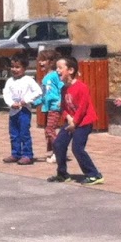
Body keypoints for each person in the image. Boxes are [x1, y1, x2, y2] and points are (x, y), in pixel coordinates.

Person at [47, 55, 103, 186]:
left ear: (71, 70)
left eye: (60, 68)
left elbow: (83, 107)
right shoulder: (63, 88)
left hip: (84, 122)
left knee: (77, 148)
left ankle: (94, 175)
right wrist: (68, 118)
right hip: (71, 121)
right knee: (58, 144)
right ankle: (62, 174)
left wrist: (75, 122)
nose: (57, 70)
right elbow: (63, 107)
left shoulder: (82, 87)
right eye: (56, 68)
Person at [0, 54, 43, 165]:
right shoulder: (10, 81)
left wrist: (26, 100)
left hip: (24, 111)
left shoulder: (28, 80)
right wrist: (11, 103)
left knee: (24, 133)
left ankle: (27, 155)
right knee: (13, 133)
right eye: (12, 67)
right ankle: (15, 154)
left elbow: (38, 91)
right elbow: (6, 94)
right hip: (13, 112)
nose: (14, 69)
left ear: (24, 68)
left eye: (17, 67)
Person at [38, 47, 65, 153]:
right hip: (47, 108)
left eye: (43, 60)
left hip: (55, 107)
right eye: (40, 60)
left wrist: (60, 101)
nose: (40, 62)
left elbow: (62, 87)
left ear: (51, 62)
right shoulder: (46, 77)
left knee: (50, 129)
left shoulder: (55, 75)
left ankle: (59, 151)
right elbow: (44, 94)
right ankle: (54, 151)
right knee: (47, 130)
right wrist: (33, 102)